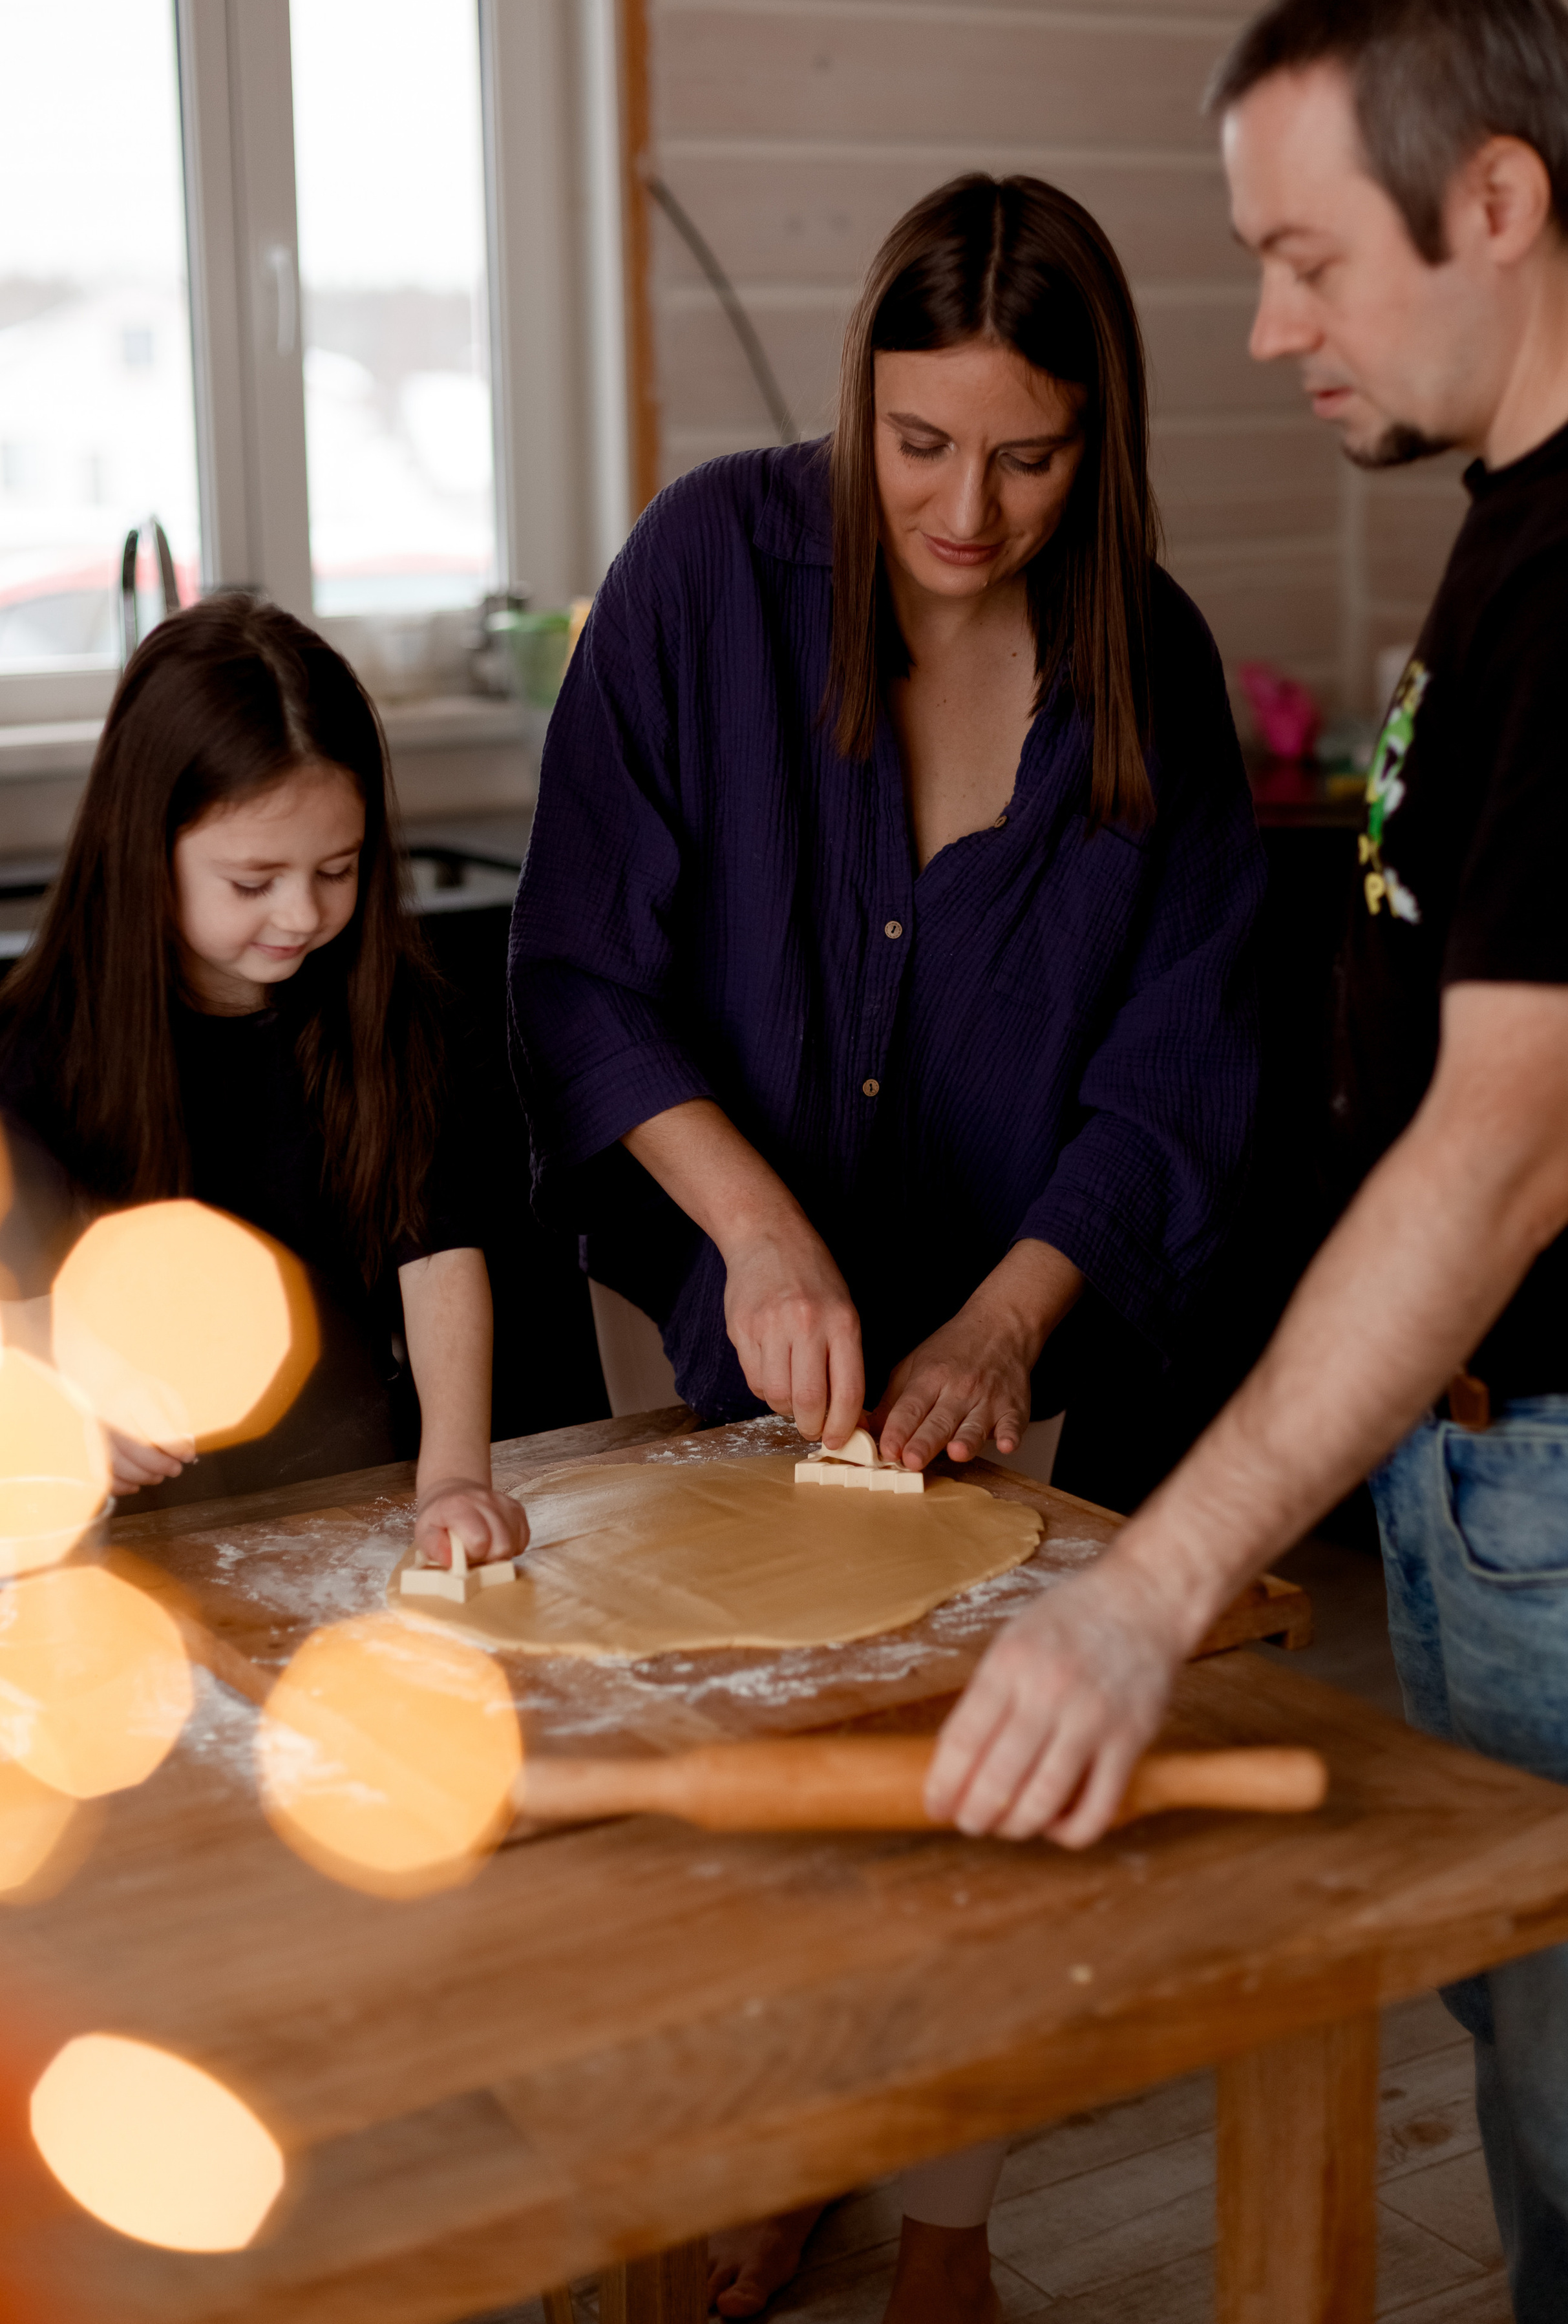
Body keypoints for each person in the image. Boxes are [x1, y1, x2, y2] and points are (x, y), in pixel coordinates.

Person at [926, 0, 1568, 2324]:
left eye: (1304, 256)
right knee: (1562, 2127)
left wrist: (1147, 1588)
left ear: (1501, 201)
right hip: (1509, 1494)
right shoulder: (1532, 519)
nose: (1267, 326)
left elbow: (1508, 1150)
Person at [508, 174, 1266, 2321]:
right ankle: (772, 2161)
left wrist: (1011, 1325)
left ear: (1097, 439)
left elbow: (1181, 1063)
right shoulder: (701, 578)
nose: (964, 505)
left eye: (1028, 456)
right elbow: (578, 974)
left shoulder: (1155, 661)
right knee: (744, 1790)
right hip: (717, 1304)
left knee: (965, 1798)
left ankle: (948, 2234)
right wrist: (754, 1230)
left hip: (1008, 1324)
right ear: (858, 398)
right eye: (918, 444)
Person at [0, 594, 527, 1573]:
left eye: (339, 868)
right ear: (145, 850)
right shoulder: (42, 1047)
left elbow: (441, 1259)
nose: (302, 912)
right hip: (132, 1547)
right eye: (254, 882)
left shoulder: (393, 1015)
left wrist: (454, 1478)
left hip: (353, 1500)